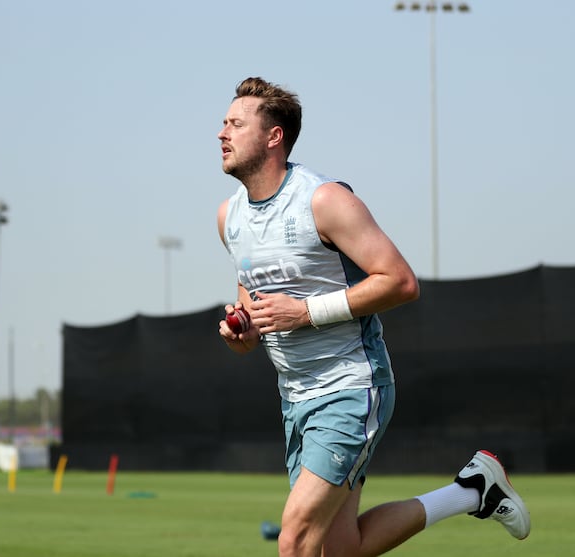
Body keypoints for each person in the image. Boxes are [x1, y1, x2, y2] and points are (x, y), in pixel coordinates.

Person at [216, 77, 530, 557]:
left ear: (273, 137)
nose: (222, 133)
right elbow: (256, 314)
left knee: (295, 539)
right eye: (224, 124)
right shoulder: (229, 217)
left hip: (350, 387)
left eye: (235, 124)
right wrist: (243, 332)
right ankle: (472, 491)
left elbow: (400, 281)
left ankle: (473, 490)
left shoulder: (323, 200)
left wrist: (304, 313)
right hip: (294, 399)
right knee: (341, 549)